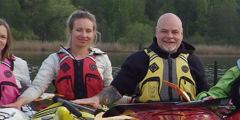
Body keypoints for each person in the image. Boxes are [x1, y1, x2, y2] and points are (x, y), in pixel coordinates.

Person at [74, 13, 210, 107]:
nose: (170, 36)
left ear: (181, 34)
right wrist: (97, 99)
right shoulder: (138, 60)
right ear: (156, 32)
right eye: (164, 31)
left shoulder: (194, 62)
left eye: (174, 32)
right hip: (148, 119)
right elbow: (116, 90)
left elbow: (205, 95)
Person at [6, 10, 112, 110]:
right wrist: (19, 103)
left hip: (96, 112)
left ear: (93, 33)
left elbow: (111, 91)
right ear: (70, 31)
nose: (84, 35)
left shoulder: (102, 58)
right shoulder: (54, 59)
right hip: (65, 112)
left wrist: (129, 100)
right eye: (79, 30)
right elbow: (37, 87)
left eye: (88, 31)